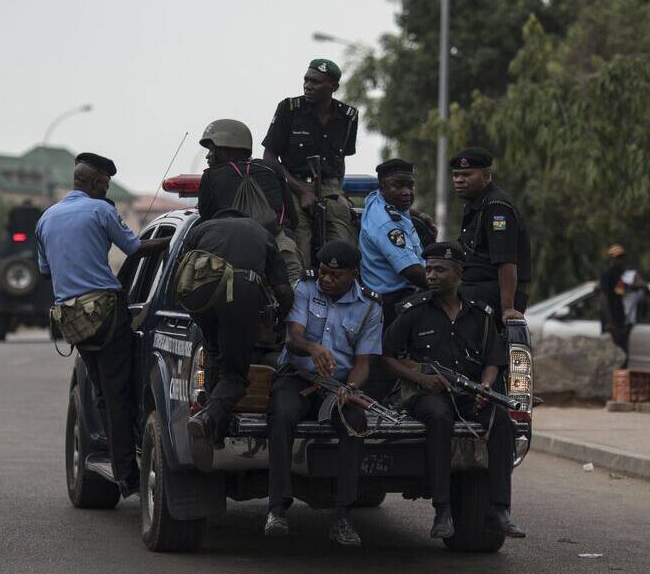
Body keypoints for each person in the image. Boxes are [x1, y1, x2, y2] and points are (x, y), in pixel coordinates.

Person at [36, 153, 169, 498]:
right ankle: (127, 475)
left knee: (100, 391)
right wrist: (171, 244)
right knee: (119, 394)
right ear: (95, 184)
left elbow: (45, 270)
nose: (105, 190)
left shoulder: (47, 217)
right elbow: (135, 248)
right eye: (105, 185)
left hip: (72, 320)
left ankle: (113, 460)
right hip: (106, 314)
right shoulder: (101, 210)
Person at [382, 242, 525, 540]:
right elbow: (387, 357)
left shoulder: (479, 314)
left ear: (458, 274)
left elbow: (492, 360)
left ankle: (499, 509)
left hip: (467, 392)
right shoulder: (413, 311)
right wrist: (420, 380)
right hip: (426, 394)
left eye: (439, 270)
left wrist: (486, 387)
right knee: (439, 418)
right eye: (428, 269)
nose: (431, 275)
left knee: (500, 418)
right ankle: (443, 509)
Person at [265, 241, 381, 546]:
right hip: (297, 376)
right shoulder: (306, 288)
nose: (326, 279)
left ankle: (343, 515)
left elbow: (363, 363)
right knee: (281, 413)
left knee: (355, 423)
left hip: (338, 385)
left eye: (335, 275)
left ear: (354, 274)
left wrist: (350, 389)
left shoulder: (370, 306)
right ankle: (277, 508)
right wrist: (312, 348)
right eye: (324, 272)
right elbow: (293, 338)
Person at [183, 210, 293, 466]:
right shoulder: (261, 233)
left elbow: (181, 269)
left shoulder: (200, 229)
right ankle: (207, 417)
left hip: (199, 296)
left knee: (214, 352)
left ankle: (215, 431)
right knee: (235, 375)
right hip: (239, 293)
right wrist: (284, 318)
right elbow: (283, 289)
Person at [261, 58, 359, 267]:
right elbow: (269, 157)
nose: (308, 85)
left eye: (315, 81)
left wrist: (339, 193)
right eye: (306, 80)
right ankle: (302, 291)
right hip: (293, 185)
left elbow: (340, 159)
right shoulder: (289, 109)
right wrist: (302, 191)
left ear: (333, 86)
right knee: (299, 245)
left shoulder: (348, 116)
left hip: (329, 188)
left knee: (346, 247)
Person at [195, 118, 301, 283]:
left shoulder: (211, 176)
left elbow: (206, 219)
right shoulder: (272, 169)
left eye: (212, 150)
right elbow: (291, 218)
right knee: (296, 292)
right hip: (278, 246)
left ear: (226, 150)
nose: (208, 156)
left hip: (226, 253)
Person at [450, 148, 532, 323]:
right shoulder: (476, 204)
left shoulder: (496, 207)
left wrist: (508, 307)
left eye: (466, 175)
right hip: (476, 288)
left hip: (493, 292)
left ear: (486, 176)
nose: (459, 180)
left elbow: (506, 260)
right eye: (456, 175)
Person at [358, 158, 427, 325]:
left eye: (410, 186)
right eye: (399, 186)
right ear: (382, 188)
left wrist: (420, 215)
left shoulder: (379, 200)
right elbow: (412, 272)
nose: (407, 192)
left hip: (394, 294)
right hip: (393, 302)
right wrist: (450, 288)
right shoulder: (388, 225)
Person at [599, 244, 629, 364]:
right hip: (612, 324)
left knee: (621, 357)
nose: (620, 261)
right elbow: (604, 298)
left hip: (619, 321)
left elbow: (620, 292)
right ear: (612, 259)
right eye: (617, 258)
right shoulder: (608, 275)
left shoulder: (619, 276)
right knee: (612, 358)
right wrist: (611, 323)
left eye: (621, 258)